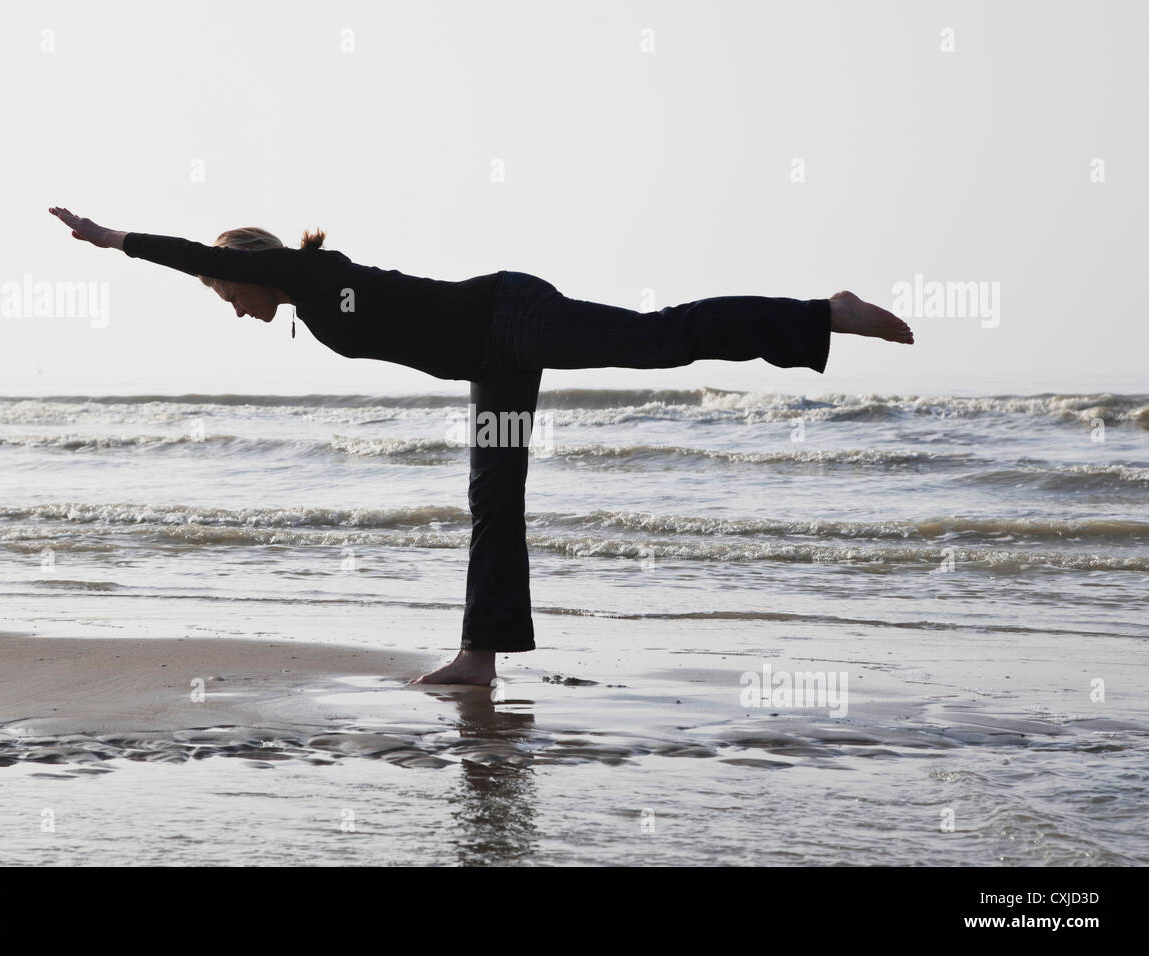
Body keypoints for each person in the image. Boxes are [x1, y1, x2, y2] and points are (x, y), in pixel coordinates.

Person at [47, 206, 914, 686]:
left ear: (244, 271)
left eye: (223, 290)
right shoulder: (311, 306)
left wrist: (114, 239)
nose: (231, 308)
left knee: (657, 337)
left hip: (513, 316)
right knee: (493, 500)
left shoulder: (308, 277)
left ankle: (820, 314)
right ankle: (479, 655)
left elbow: (189, 250)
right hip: (493, 359)